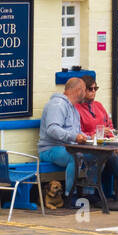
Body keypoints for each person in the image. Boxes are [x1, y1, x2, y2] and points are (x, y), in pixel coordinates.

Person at [37, 77, 88, 206]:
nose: (86, 93)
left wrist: (89, 137)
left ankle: (90, 194)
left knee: (96, 155)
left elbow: (77, 132)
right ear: (78, 90)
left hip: (66, 148)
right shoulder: (58, 105)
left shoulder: (73, 109)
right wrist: (74, 137)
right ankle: (70, 195)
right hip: (49, 149)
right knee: (75, 157)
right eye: (84, 90)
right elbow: (52, 129)